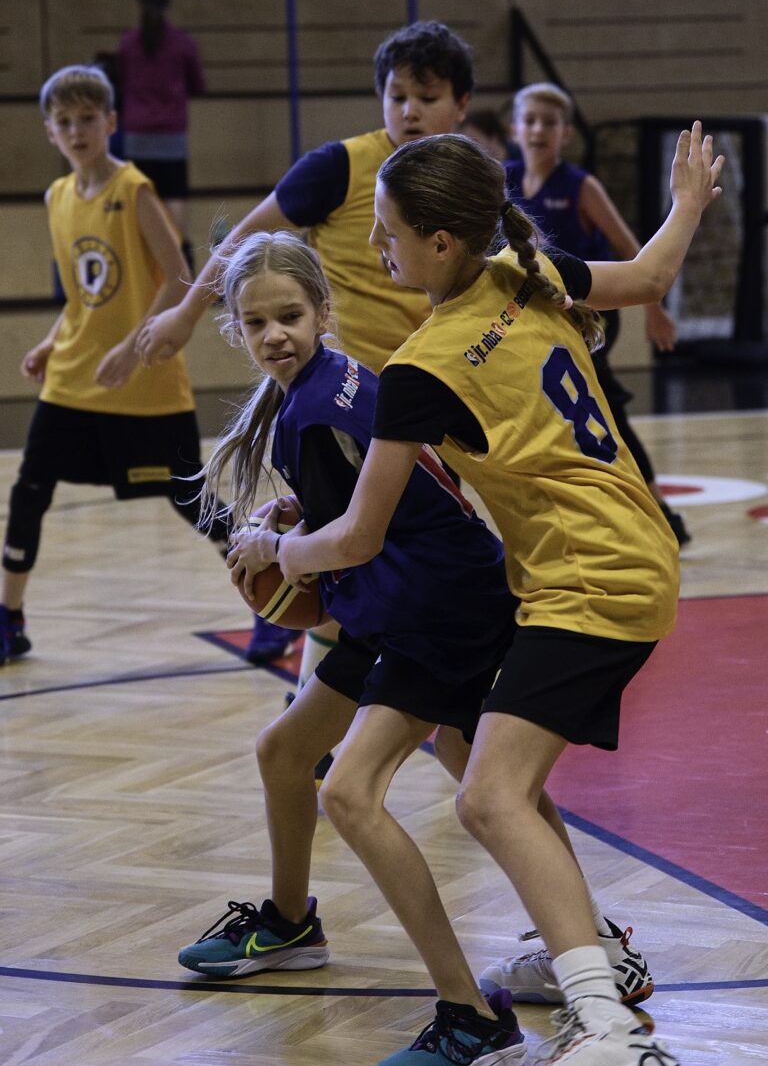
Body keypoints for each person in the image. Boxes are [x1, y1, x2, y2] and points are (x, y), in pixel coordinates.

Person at [266, 125, 723, 1065]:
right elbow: (648, 277)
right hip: (626, 550)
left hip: (587, 577)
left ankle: (606, 1026)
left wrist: (279, 548)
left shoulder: (422, 365)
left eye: (388, 230)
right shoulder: (525, 269)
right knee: (476, 763)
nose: (375, 245)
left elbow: (357, 537)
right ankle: (593, 966)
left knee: (489, 796)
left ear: (440, 242)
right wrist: (686, 204)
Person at [176, 229, 528, 1062]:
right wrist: (299, 517)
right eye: (256, 322)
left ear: (323, 311)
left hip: (437, 608)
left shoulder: (312, 408)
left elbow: (355, 540)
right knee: (285, 751)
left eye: (290, 316)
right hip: (417, 598)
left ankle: (473, 1014)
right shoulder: (333, 382)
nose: (275, 335)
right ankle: (290, 923)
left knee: (355, 791)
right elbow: (365, 503)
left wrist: (277, 547)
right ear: (235, 329)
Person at [137, 19, 474, 668]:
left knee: (406, 565)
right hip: (349, 404)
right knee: (351, 555)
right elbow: (244, 239)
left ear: (460, 105)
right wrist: (185, 311)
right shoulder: (340, 167)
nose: (409, 110)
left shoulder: (466, 186)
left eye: (427, 97)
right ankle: (306, 637)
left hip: (435, 405)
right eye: (397, 95)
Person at [0, 64, 229, 666]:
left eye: (87, 119)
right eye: (64, 121)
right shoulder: (55, 197)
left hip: (144, 377)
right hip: (74, 378)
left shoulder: (134, 189)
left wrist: (131, 347)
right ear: (49, 131)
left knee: (191, 498)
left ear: (111, 123)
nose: (76, 131)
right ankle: (9, 617)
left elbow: (178, 276)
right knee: (29, 489)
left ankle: (277, 597)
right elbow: (84, 299)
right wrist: (51, 342)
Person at [506, 81, 691, 546]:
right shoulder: (503, 180)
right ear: (514, 129)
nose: (538, 130)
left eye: (549, 122)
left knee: (602, 405)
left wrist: (655, 311)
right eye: (530, 120)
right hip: (536, 313)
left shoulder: (581, 186)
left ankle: (659, 510)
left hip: (591, 309)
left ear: (566, 133)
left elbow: (632, 250)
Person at [118, 0, 205, 268]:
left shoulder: (128, 44)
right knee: (174, 198)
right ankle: (180, 260)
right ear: (168, 2)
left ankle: (146, 263)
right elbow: (198, 85)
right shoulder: (182, 43)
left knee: (141, 200)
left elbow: (121, 84)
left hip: (137, 136)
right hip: (171, 135)